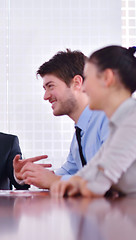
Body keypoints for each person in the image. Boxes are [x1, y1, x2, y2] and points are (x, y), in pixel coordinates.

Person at [13, 49, 109, 189]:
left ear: (77, 83)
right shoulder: (79, 133)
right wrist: (27, 175)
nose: (45, 96)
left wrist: (54, 180)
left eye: (50, 86)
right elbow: (62, 176)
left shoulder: (108, 119)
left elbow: (110, 178)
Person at [51, 45, 136, 197]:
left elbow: (96, 184)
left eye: (87, 78)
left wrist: (77, 183)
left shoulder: (132, 120)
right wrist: (76, 181)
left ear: (107, 78)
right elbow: (94, 168)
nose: (83, 88)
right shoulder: (119, 122)